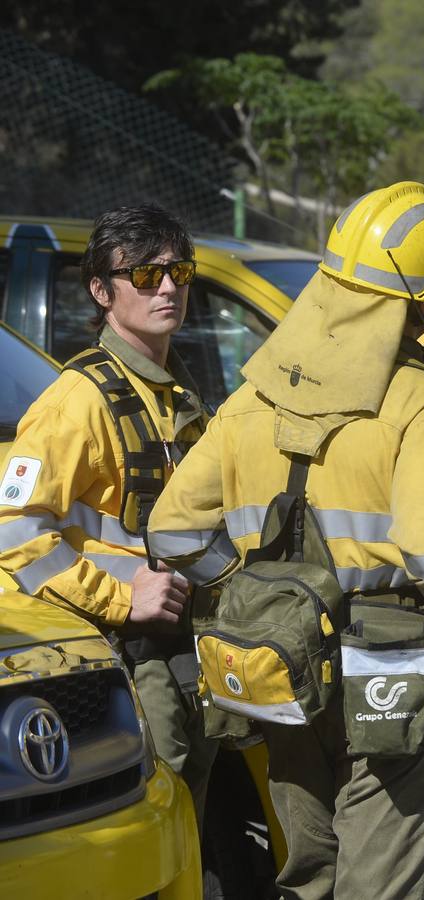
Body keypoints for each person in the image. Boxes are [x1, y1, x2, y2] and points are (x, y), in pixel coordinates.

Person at [147, 182, 424, 900]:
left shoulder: (250, 400)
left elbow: (172, 531)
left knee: (309, 874)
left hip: (283, 668)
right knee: (388, 874)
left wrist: (249, 586)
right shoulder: (422, 404)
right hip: (391, 672)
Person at [0, 204, 217, 816]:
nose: (168, 287)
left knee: (189, 823)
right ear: (101, 290)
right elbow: (13, 532)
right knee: (151, 820)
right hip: (124, 660)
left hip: (185, 649)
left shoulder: (172, 386)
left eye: (179, 271)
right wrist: (125, 599)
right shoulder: (76, 401)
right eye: (145, 276)